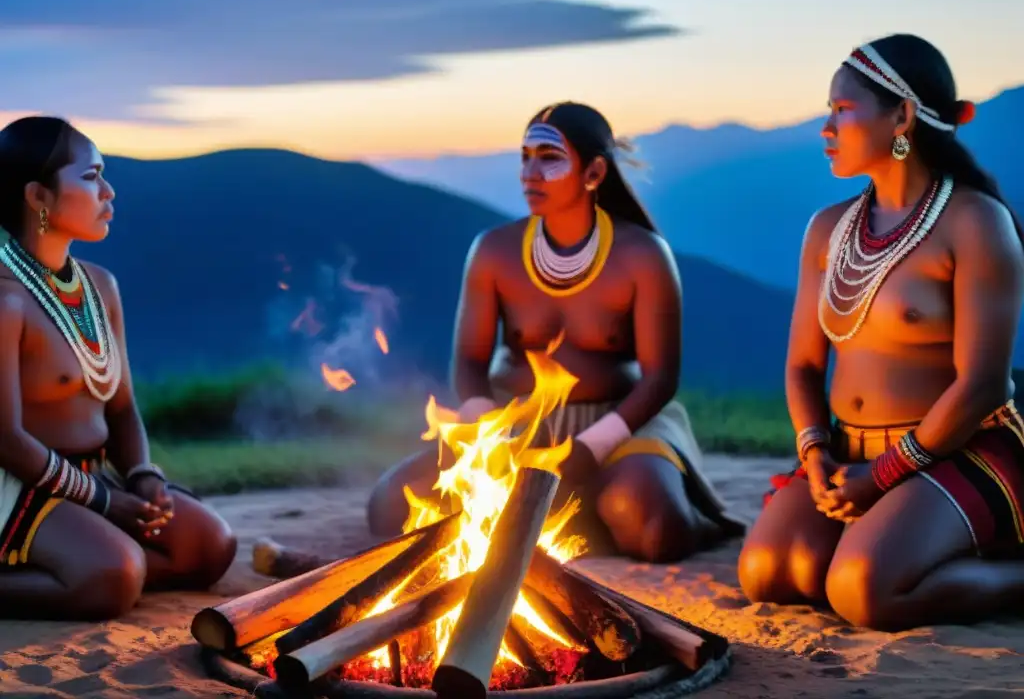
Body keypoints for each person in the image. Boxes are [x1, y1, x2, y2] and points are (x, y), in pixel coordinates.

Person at [367, 101, 745, 562]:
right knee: (391, 506)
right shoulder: (494, 251)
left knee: (654, 529)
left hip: (621, 427)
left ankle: (594, 509)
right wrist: (490, 432)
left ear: (593, 172)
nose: (530, 173)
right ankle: (574, 516)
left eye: (549, 158)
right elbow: (469, 361)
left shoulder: (643, 255)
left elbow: (660, 378)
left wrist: (591, 448)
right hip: (514, 427)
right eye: (524, 157)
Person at [737, 34, 1024, 631]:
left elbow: (984, 386)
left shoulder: (975, 222)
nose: (825, 128)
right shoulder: (827, 229)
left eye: (841, 110)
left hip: (953, 449)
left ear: (902, 115)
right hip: (847, 452)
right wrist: (815, 453)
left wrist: (887, 475)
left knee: (863, 590)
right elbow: (804, 367)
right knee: (769, 572)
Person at [0, 116, 237, 621]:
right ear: (39, 197)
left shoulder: (99, 286)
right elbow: (6, 439)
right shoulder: (6, 300)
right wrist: (104, 502)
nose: (109, 191)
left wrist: (142, 475)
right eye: (91, 178)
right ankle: (97, 570)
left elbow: (122, 407)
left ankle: (88, 566)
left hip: (96, 478)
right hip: (17, 487)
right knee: (117, 575)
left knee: (210, 544)